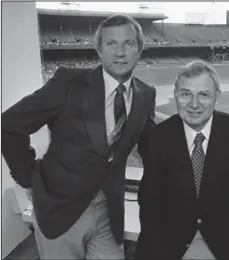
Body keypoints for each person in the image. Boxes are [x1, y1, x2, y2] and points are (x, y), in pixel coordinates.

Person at [2, 14, 156, 259]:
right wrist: (28, 178)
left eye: (128, 44)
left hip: (109, 212)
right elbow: (9, 125)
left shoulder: (145, 94)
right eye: (111, 44)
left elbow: (154, 148)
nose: (120, 52)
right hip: (60, 210)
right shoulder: (69, 82)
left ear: (139, 49)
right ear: (99, 49)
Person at [136, 60, 229, 260]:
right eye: (185, 94)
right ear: (175, 95)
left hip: (224, 249)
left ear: (217, 96)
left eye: (203, 94)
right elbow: (149, 203)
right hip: (171, 249)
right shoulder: (157, 138)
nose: (194, 104)